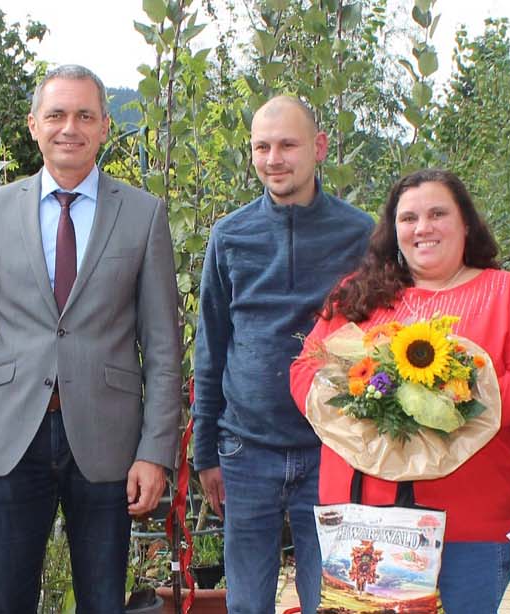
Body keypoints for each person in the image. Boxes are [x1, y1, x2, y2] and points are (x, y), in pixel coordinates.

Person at [0, 64, 183, 613]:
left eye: (84, 115)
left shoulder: (143, 215)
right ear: (33, 125)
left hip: (107, 440)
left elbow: (163, 349)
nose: (69, 127)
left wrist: (155, 453)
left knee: (102, 601)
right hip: (10, 438)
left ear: (103, 127)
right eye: (56, 114)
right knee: (6, 601)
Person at [289, 169, 510, 614]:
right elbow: (305, 368)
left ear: (466, 223)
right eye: (408, 218)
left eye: (437, 214)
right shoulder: (358, 293)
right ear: (394, 231)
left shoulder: (504, 292)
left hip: (468, 526)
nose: (422, 227)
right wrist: (365, 404)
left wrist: (452, 404)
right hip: (362, 522)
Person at [189, 95, 374, 614]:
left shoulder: (360, 234)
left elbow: (382, 338)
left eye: (287, 145)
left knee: (333, 603)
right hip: (245, 451)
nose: (274, 159)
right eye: (262, 147)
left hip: (331, 450)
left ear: (319, 147)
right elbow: (211, 346)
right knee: (247, 604)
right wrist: (206, 452)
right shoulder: (230, 235)